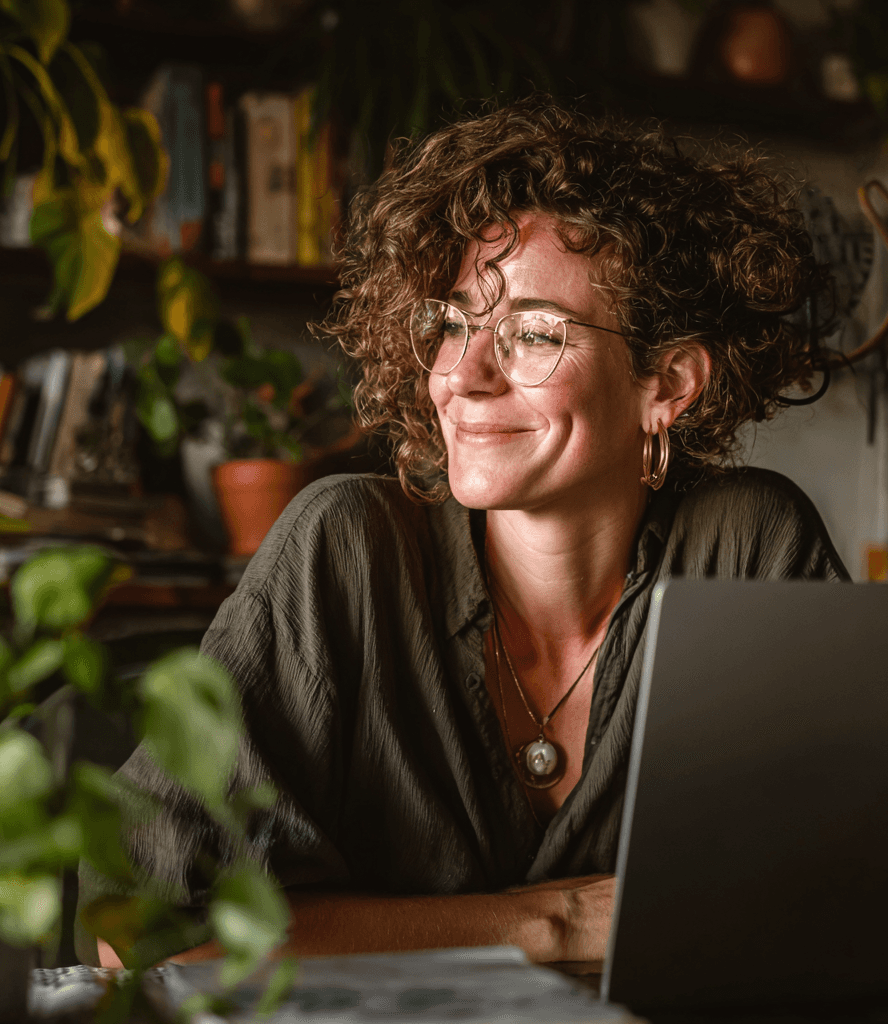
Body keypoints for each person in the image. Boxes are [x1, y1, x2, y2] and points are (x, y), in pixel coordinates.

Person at [78, 98, 848, 971]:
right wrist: (546, 924)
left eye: (531, 333)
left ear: (666, 382)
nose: (463, 376)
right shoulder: (344, 548)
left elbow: (848, 903)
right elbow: (139, 935)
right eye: (450, 323)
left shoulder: (750, 545)